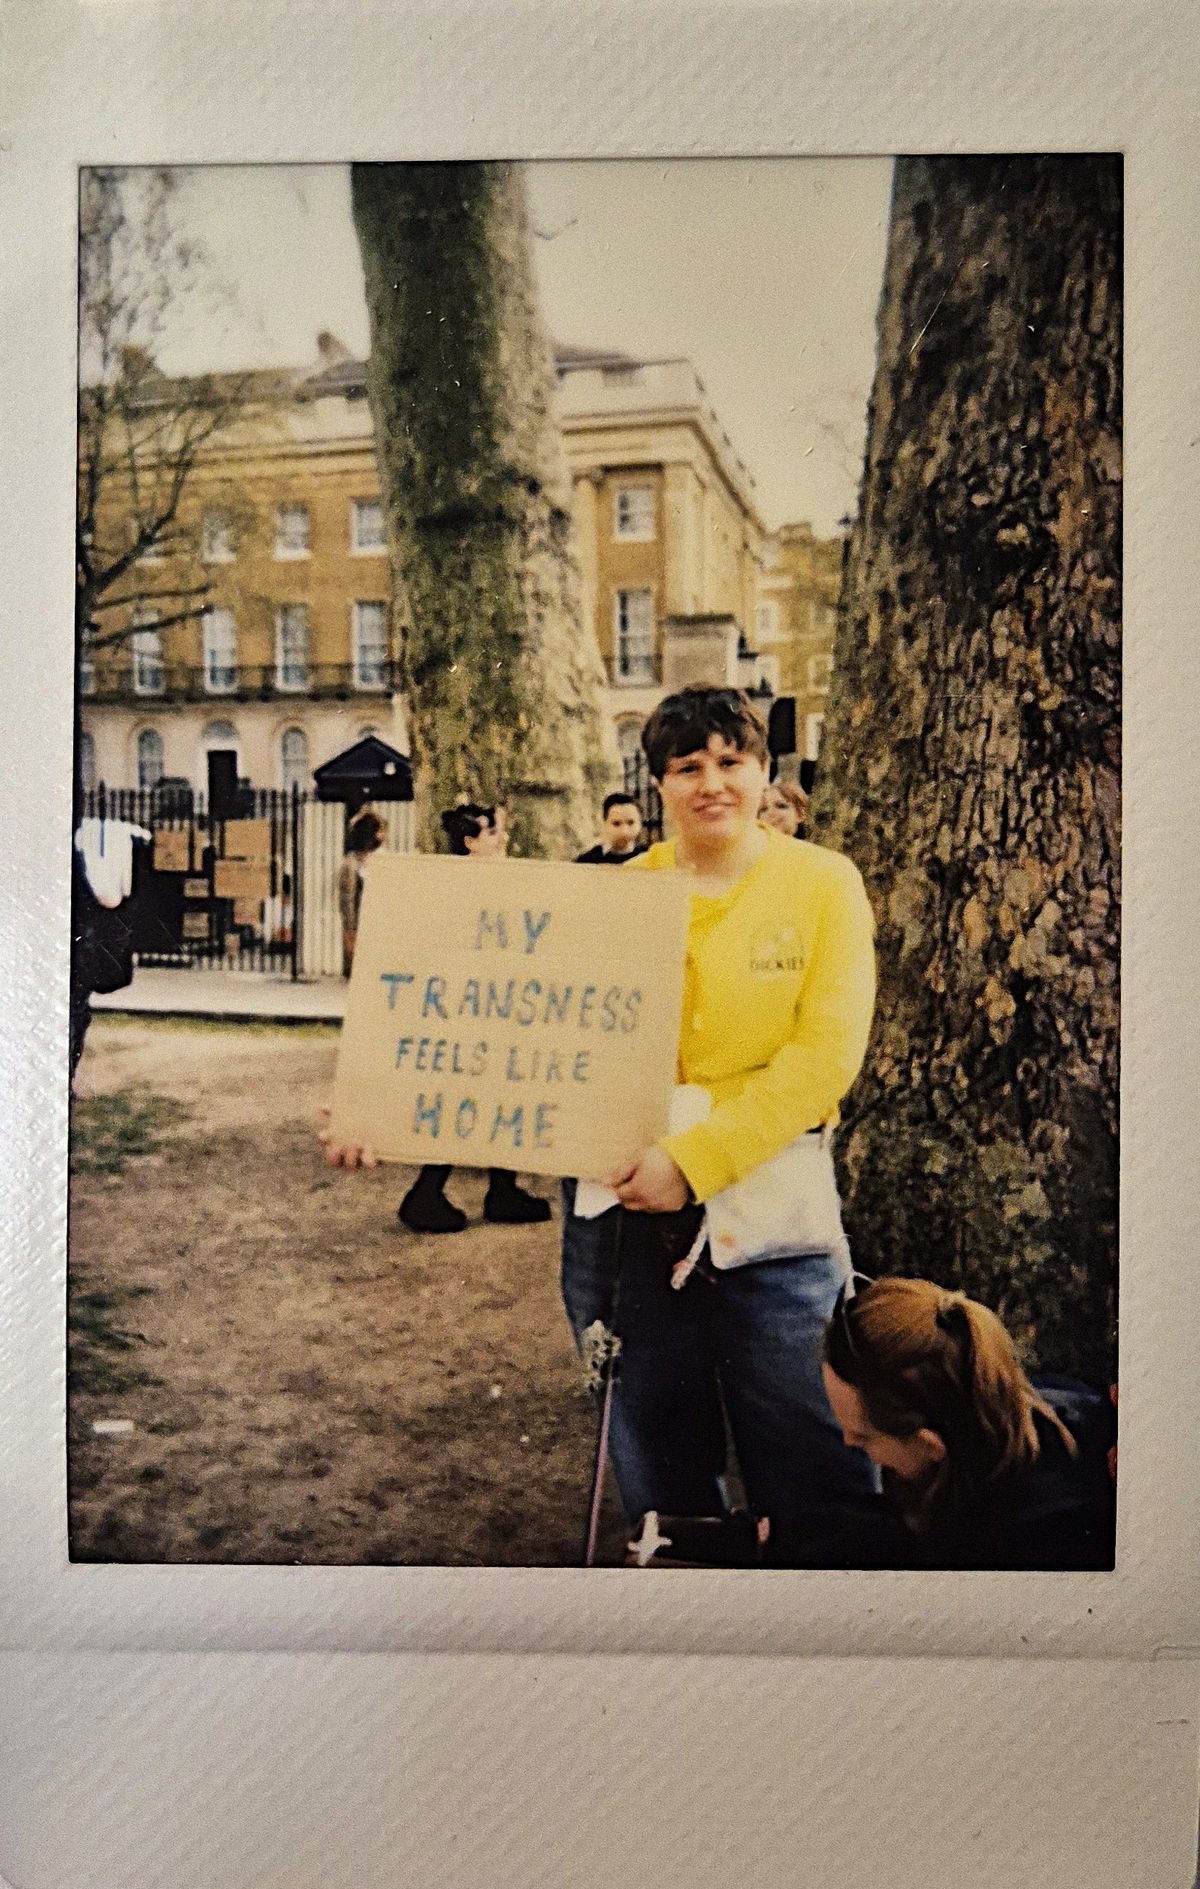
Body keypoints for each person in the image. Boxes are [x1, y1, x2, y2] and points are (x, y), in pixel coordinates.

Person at [560, 684, 879, 1550]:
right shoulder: (619, 894)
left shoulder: (824, 885)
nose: (711, 783)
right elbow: (543, 1040)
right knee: (658, 1451)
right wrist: (389, 1110)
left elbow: (823, 1061)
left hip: (773, 1208)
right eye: (686, 766)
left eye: (730, 761)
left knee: (813, 1446)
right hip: (629, 1215)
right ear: (657, 782)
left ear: (762, 769)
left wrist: (696, 1161)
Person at [811, 1275, 1116, 1570]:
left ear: (931, 1445)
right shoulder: (1002, 1395)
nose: (848, 1442)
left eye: (864, 1438)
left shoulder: (1026, 1543)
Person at [395, 802, 552, 1235]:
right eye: (491, 832)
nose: (503, 838)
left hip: (494, 1007)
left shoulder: (489, 882)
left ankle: (500, 1188)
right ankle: (429, 1192)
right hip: (471, 1012)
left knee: (501, 1092)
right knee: (466, 1094)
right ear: (469, 843)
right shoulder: (459, 887)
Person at [337, 807, 385, 976]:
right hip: (361, 925)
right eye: (380, 830)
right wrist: (350, 931)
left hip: (378, 924)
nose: (383, 835)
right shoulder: (350, 864)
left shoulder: (381, 858)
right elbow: (347, 900)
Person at [576, 792, 647, 865]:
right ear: (604, 824)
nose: (624, 832)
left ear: (640, 823)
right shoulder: (586, 862)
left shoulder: (650, 859)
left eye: (631, 823)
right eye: (616, 824)